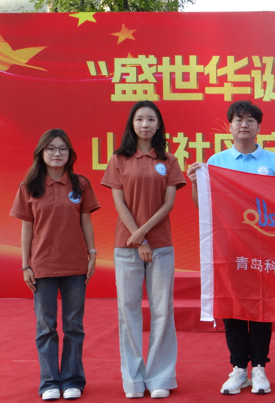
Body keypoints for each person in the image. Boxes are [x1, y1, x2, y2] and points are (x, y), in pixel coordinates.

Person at [187, 100, 275, 395]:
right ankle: (239, 367)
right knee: (231, 305)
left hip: (264, 246)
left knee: (261, 306)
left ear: (259, 126)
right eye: (238, 119)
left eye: (250, 120)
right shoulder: (216, 162)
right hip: (228, 246)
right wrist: (196, 184)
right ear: (229, 126)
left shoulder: (274, 162)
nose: (244, 124)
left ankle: (260, 367)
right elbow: (204, 207)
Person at [101, 101, 186, 399]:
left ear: (159, 124)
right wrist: (139, 240)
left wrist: (144, 234)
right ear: (132, 124)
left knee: (162, 310)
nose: (145, 124)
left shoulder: (169, 160)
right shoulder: (119, 159)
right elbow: (119, 203)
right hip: (127, 247)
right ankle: (133, 380)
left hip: (161, 246)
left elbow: (168, 204)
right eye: (139, 119)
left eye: (151, 119)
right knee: (128, 311)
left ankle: (160, 376)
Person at [10, 129, 100, 401]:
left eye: (62, 148)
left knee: (74, 326)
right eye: (50, 148)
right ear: (41, 153)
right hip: (42, 267)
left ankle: (72, 380)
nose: (57, 153)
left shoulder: (80, 184)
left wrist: (92, 253)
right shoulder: (29, 186)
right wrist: (25, 265)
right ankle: (49, 382)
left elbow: (86, 220)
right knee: (46, 327)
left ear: (70, 153)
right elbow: (27, 228)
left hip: (75, 266)